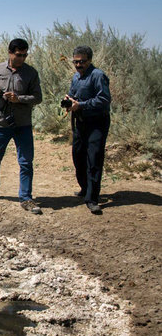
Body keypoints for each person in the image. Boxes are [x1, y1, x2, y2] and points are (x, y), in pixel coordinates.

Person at [0, 38, 43, 214]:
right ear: (10, 53)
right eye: (19, 55)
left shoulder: (31, 73)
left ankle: (26, 198)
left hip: (23, 125)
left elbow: (38, 97)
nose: (22, 58)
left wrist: (18, 98)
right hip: (1, 125)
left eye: (25, 55)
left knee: (26, 162)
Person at [63, 46, 112, 215]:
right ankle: (85, 188)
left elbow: (104, 99)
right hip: (80, 123)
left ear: (89, 60)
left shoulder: (98, 75)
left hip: (97, 122)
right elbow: (73, 94)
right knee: (78, 156)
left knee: (94, 159)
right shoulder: (76, 77)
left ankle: (92, 199)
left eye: (82, 62)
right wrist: (69, 101)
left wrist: (81, 105)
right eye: (75, 62)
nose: (78, 65)